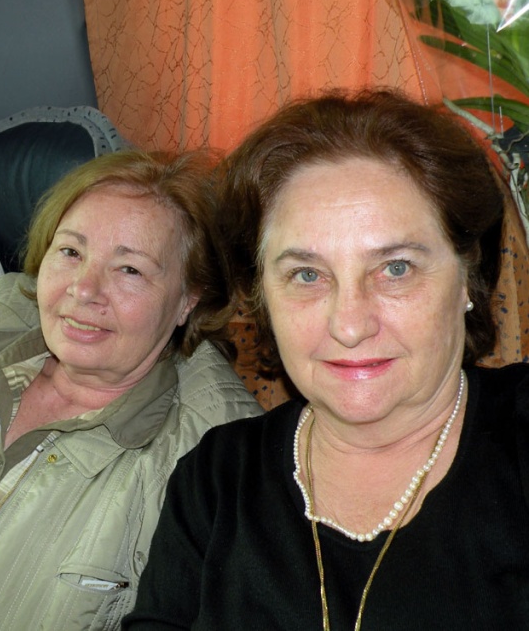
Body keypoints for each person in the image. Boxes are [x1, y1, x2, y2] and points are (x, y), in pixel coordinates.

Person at [123, 89, 529, 630]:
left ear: (466, 279)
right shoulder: (215, 481)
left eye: (396, 268)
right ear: (263, 298)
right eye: (307, 275)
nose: (350, 324)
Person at [0, 150, 262, 630]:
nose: (84, 289)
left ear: (188, 300)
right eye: (71, 252)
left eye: (130, 270)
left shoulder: (203, 454)